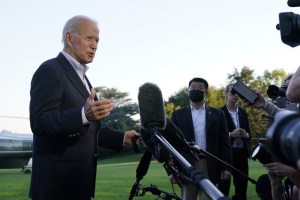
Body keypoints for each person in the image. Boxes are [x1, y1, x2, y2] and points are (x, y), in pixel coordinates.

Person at [29, 15, 140, 200]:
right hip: (56, 188)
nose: (95, 45)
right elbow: (40, 123)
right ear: (70, 38)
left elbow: (92, 129)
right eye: (89, 38)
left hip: (80, 184)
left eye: (97, 40)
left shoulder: (84, 79)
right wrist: (83, 114)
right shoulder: (50, 70)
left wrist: (122, 137)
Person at [171, 77, 232, 200]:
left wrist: (226, 167)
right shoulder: (178, 115)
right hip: (187, 165)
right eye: (193, 87)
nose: (196, 90)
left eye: (200, 88)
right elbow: (172, 144)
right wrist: (172, 170)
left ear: (207, 93)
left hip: (210, 164)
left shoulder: (218, 114)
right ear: (188, 91)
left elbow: (224, 143)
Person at [218, 83, 251, 200]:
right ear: (226, 94)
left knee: (242, 188)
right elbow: (216, 135)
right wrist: (230, 134)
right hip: (226, 155)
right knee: (223, 188)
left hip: (242, 154)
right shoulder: (219, 112)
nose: (236, 96)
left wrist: (245, 134)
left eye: (238, 94)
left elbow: (249, 134)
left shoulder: (242, 112)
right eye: (233, 93)